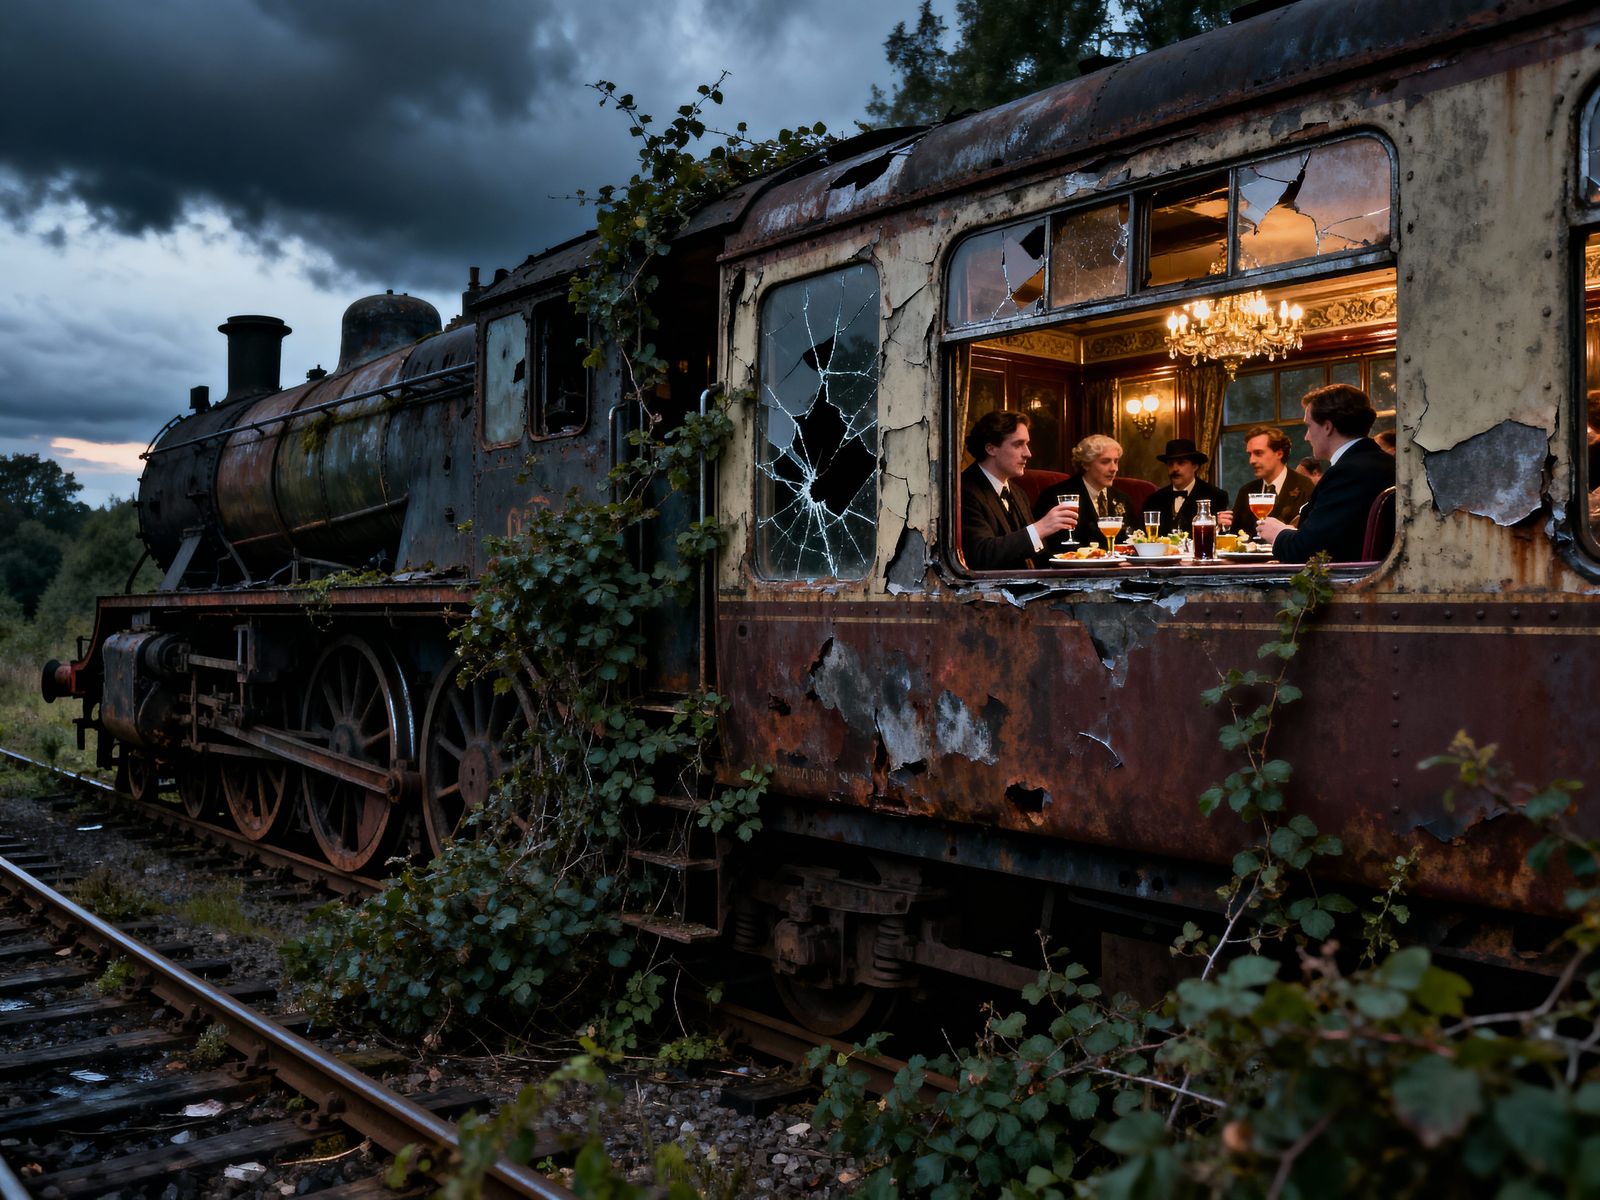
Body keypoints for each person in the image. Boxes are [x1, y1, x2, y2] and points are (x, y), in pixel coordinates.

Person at [1260, 384, 1394, 563]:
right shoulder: (1382, 462)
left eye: (1308, 426)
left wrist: (1278, 534)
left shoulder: (1348, 473)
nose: (1306, 437)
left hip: (1349, 586)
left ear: (1327, 427)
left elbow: (1307, 553)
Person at [959, 411, 1078, 570]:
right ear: (991, 448)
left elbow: (1039, 557)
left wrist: (1082, 560)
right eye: (1018, 444)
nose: (1028, 453)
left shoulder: (1018, 492)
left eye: (1027, 444)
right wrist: (1041, 527)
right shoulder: (964, 490)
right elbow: (981, 554)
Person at [1033, 433, 1134, 555]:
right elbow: (1050, 546)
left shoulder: (1122, 498)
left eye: (1116, 461)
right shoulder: (1056, 496)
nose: (1114, 468)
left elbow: (1133, 539)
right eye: (1105, 462)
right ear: (1086, 464)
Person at [1218, 425, 1316, 539]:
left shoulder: (1305, 486)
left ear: (1279, 453)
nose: (1251, 461)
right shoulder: (1246, 491)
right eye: (1250, 454)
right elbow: (1235, 537)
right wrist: (1223, 526)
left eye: (1258, 453)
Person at [1141, 437, 1228, 536]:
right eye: (1170, 464)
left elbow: (1220, 535)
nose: (1174, 469)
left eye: (1181, 463)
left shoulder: (1216, 496)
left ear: (1195, 466)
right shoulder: (1153, 500)